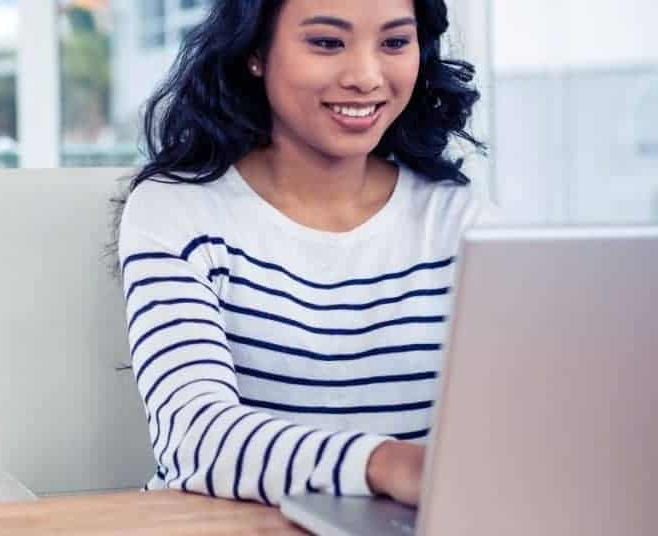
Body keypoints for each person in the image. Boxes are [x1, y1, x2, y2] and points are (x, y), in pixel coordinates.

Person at [116, 0, 498, 508]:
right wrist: (384, 464)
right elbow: (193, 439)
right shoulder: (178, 211)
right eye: (326, 42)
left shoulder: (462, 222)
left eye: (394, 43)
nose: (366, 76)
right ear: (255, 50)